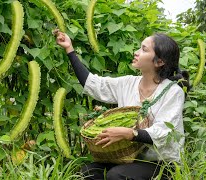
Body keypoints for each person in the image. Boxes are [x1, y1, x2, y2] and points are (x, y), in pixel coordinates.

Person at [54, 29, 190, 180]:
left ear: (159, 62)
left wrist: (128, 133)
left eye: (144, 49)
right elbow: (93, 84)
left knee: (116, 176)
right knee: (86, 172)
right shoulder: (128, 83)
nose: (136, 52)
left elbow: (163, 132)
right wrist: (69, 49)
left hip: (161, 163)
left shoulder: (172, 92)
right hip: (128, 158)